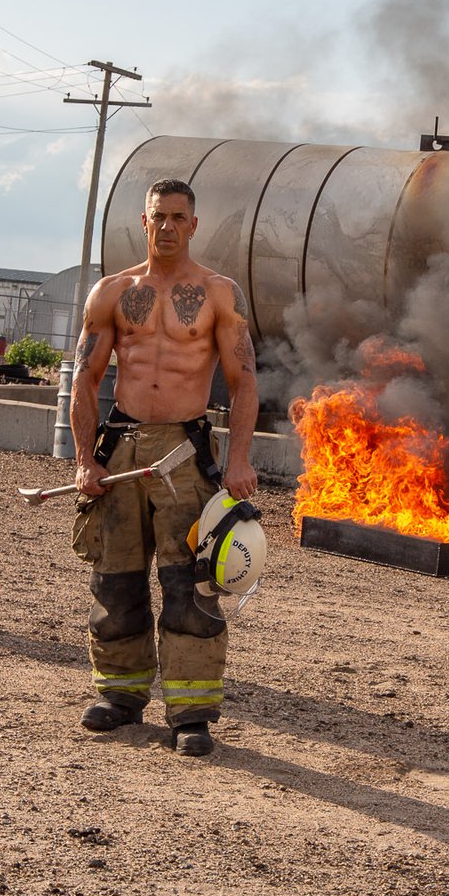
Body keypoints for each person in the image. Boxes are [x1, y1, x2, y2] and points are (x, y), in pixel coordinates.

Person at [69, 177, 259, 756]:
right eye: (160, 217)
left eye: (180, 217)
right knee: (116, 578)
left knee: (189, 583)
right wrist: (83, 460)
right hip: (120, 445)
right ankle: (120, 696)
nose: (169, 226)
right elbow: (85, 378)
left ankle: (191, 713)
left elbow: (245, 380)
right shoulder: (111, 291)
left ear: (193, 225)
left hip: (184, 451)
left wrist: (240, 460)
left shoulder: (218, 293)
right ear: (144, 222)